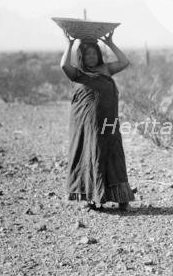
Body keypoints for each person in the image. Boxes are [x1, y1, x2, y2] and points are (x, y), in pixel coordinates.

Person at [60, 30, 135, 211]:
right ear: (81, 57)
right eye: (87, 54)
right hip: (87, 125)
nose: (92, 57)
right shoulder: (77, 74)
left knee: (113, 154)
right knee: (90, 155)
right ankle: (91, 197)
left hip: (108, 122)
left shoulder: (106, 69)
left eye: (94, 53)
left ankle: (121, 198)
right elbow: (63, 65)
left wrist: (110, 43)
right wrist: (69, 44)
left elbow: (124, 62)